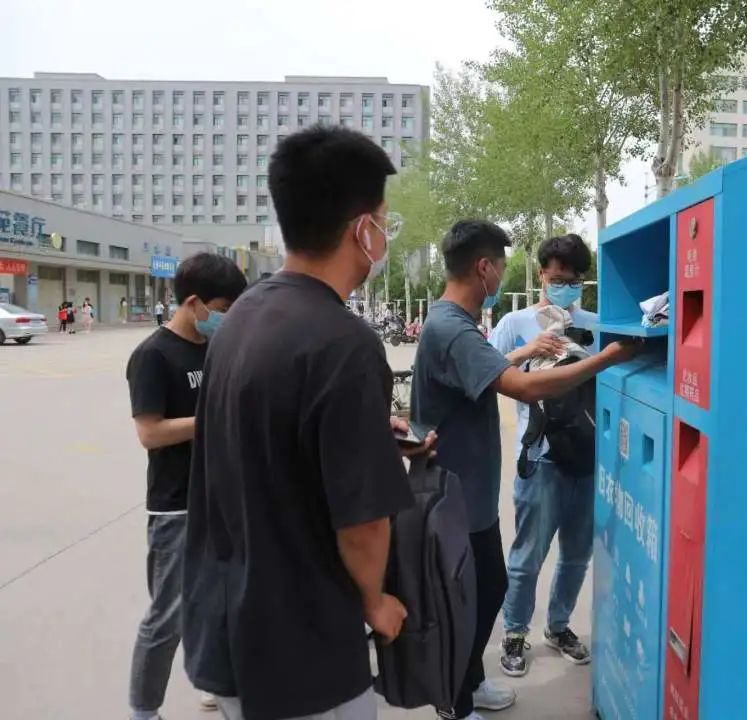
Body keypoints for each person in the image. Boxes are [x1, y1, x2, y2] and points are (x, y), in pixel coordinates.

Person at [182, 125, 429, 720]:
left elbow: (268, 434)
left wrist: (371, 434)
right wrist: (375, 602)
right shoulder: (345, 343)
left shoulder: (242, 318)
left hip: (229, 627)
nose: (384, 235)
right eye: (383, 222)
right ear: (362, 230)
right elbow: (364, 525)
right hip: (304, 648)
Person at [411, 220, 639, 720]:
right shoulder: (452, 327)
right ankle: (454, 700)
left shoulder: (455, 324)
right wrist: (607, 358)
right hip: (456, 494)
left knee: (489, 586)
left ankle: (471, 682)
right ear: (485, 268)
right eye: (501, 266)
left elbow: (488, 370)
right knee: (475, 594)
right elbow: (525, 387)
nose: (501, 275)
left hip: (472, 493)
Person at [125, 252, 248, 720]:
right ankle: (144, 708)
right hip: (176, 506)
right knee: (168, 616)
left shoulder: (215, 347)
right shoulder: (153, 356)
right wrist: (211, 419)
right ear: (194, 302)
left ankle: (217, 682)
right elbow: (150, 433)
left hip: (222, 496)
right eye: (222, 309)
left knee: (225, 602)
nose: (226, 318)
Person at [488, 233, 598, 677]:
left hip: (588, 458)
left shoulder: (596, 324)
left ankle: (559, 625)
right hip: (540, 458)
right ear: (541, 275)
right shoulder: (515, 323)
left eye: (573, 281)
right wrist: (529, 351)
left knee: (577, 554)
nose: (565, 288)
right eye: (557, 279)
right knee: (528, 555)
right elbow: (485, 372)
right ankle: (515, 632)